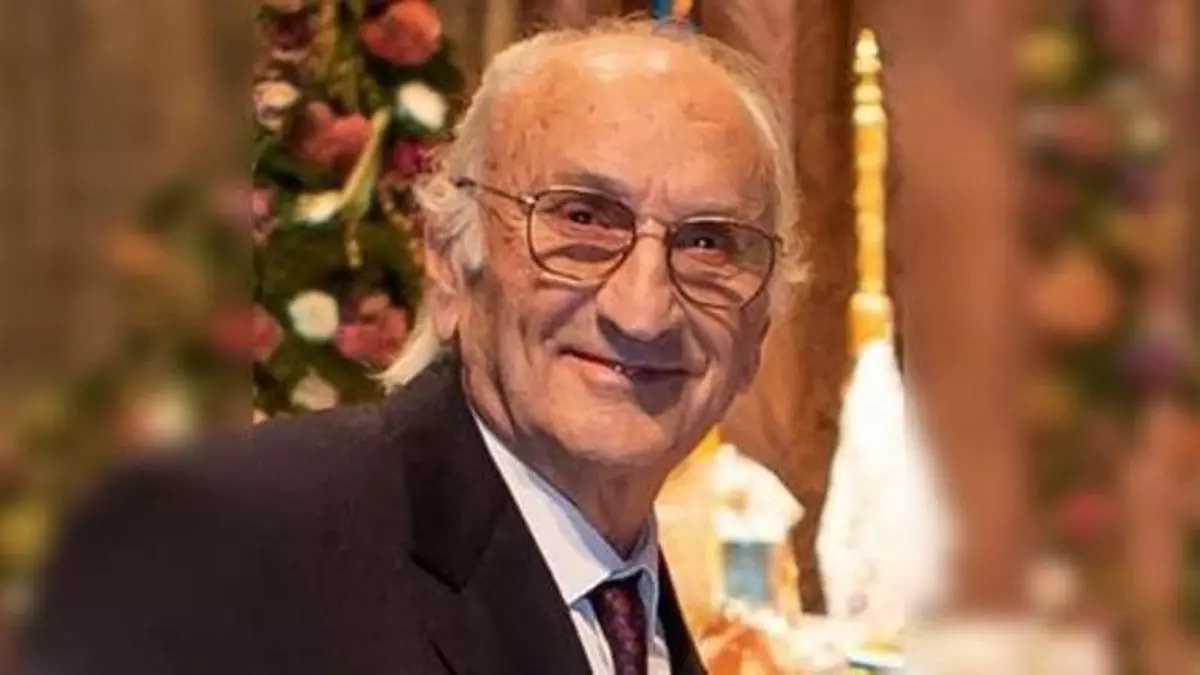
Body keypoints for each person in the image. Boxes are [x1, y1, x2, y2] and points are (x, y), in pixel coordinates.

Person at [25, 19, 802, 675]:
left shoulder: (635, 602)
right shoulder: (228, 543)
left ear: (759, 328)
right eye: (582, 219)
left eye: (708, 241)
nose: (644, 308)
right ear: (448, 262)